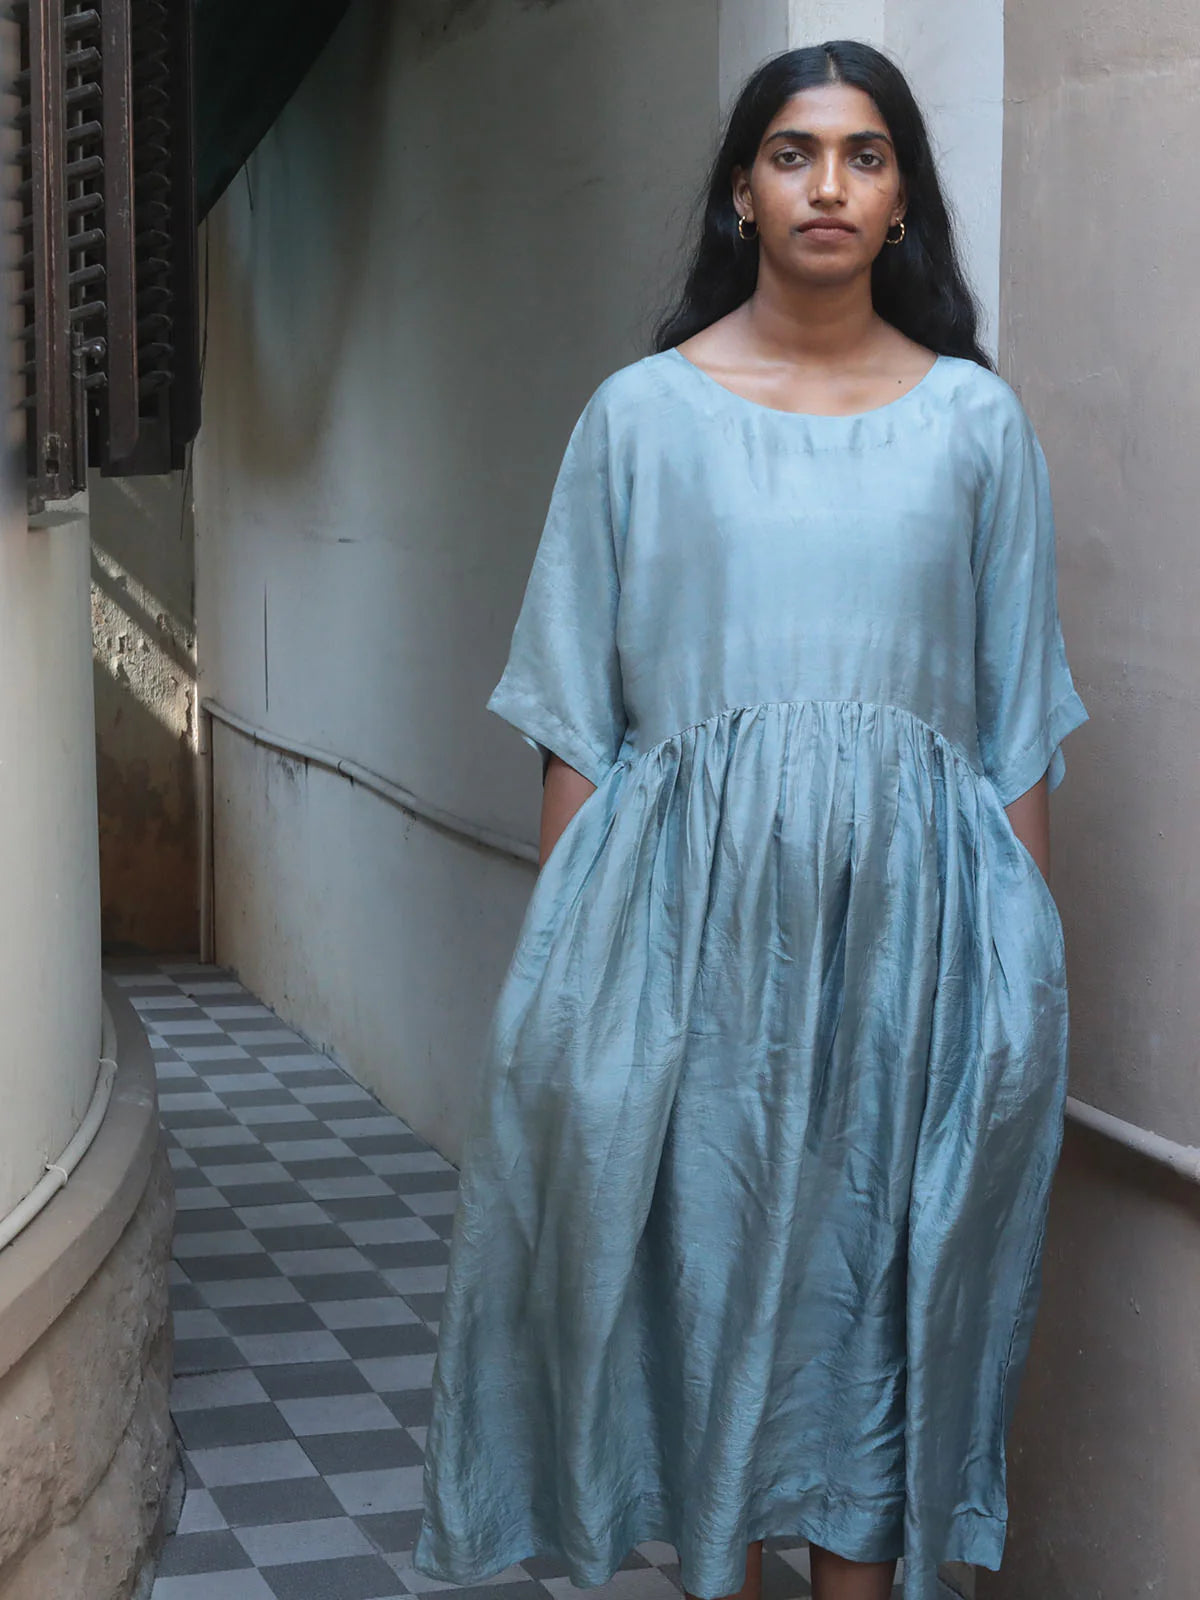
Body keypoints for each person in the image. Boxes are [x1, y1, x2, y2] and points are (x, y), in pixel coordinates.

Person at [412, 39, 1088, 1600]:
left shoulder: (977, 429)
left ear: (904, 194)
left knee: (876, 1319)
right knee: (707, 1316)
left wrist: (1022, 994)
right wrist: (572, 1005)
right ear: (741, 188)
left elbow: (1017, 738)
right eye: (793, 152)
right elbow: (577, 722)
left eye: (862, 154)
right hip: (687, 960)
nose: (828, 184)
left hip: (912, 962)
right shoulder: (639, 420)